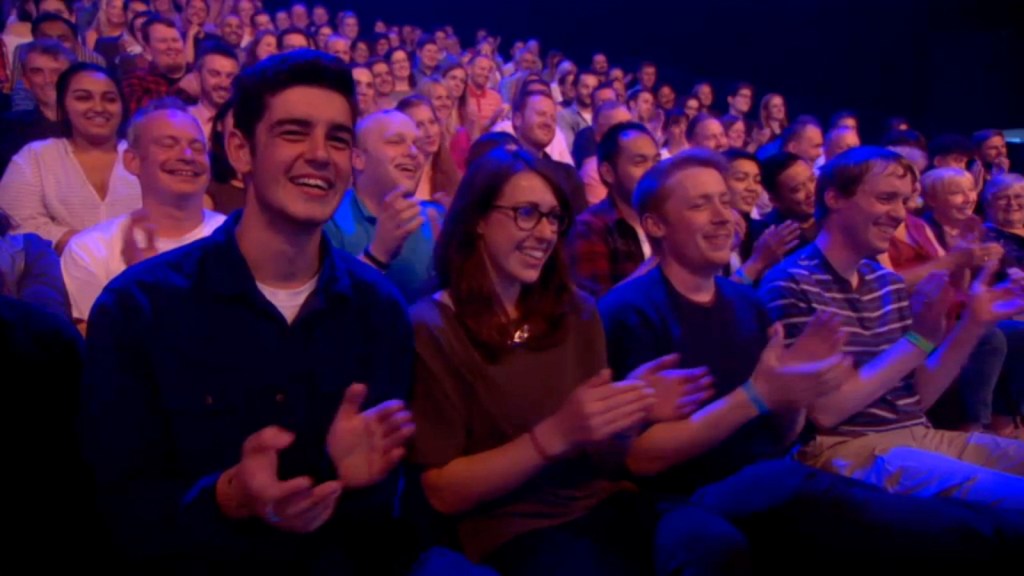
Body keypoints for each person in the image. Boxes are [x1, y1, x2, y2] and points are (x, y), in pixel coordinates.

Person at [600, 148, 1024, 571]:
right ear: (655, 224)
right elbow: (639, 457)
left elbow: (786, 429)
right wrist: (768, 393)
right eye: (700, 204)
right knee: (984, 523)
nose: (723, 217)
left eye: (725, 202)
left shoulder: (746, 303)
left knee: (978, 523)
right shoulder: (635, 310)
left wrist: (793, 395)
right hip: (716, 488)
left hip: (784, 469)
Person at [81, 50, 419, 573]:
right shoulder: (138, 309)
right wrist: (227, 497)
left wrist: (357, 485)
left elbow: (384, 527)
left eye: (337, 138)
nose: (320, 154)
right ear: (240, 148)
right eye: (293, 132)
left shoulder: (380, 312)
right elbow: (118, 512)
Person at [410, 147, 746, 575]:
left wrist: (630, 413)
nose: (545, 233)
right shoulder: (433, 326)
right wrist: (556, 434)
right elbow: (442, 492)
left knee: (715, 546)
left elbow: (606, 458)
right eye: (527, 213)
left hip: (602, 501)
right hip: (510, 526)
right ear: (478, 219)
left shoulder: (577, 311)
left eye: (553, 218)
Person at [759, 146, 1024, 507]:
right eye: (886, 199)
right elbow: (827, 412)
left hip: (914, 436)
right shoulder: (791, 282)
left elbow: (917, 399)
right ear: (834, 197)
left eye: (903, 201)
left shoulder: (885, 282)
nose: (899, 214)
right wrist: (918, 341)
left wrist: (973, 324)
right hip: (845, 450)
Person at [61, 99, 225, 331]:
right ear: (132, 161)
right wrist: (139, 282)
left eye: (198, 147)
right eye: (168, 145)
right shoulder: (90, 249)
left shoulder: (239, 242)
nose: (187, 155)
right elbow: (100, 351)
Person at [0, 62, 140, 253]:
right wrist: (96, 249)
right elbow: (20, 225)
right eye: (83, 98)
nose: (99, 107)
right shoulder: (35, 157)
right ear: (64, 105)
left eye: (110, 99)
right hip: (57, 278)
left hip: (139, 276)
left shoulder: (145, 158)